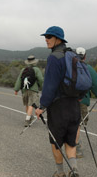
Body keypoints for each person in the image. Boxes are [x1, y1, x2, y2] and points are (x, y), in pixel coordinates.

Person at [35, 26, 80, 177]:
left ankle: (60, 173)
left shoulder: (54, 57)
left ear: (58, 39)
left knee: (56, 142)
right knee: (71, 140)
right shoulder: (73, 55)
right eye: (45, 36)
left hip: (59, 107)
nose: (46, 39)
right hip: (74, 105)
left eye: (49, 36)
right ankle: (74, 170)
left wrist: (42, 106)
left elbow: (50, 85)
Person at [74, 47, 97, 158]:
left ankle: (68, 144)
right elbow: (96, 84)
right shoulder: (88, 68)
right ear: (85, 56)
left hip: (67, 100)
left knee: (68, 123)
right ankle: (76, 148)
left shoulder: (67, 67)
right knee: (77, 124)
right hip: (82, 100)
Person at [14, 55, 44, 127]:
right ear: (34, 62)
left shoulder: (23, 70)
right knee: (32, 104)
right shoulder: (36, 69)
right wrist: (42, 87)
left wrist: (16, 89)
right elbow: (40, 79)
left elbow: (19, 80)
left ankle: (29, 117)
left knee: (27, 104)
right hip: (33, 89)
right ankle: (27, 120)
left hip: (24, 89)